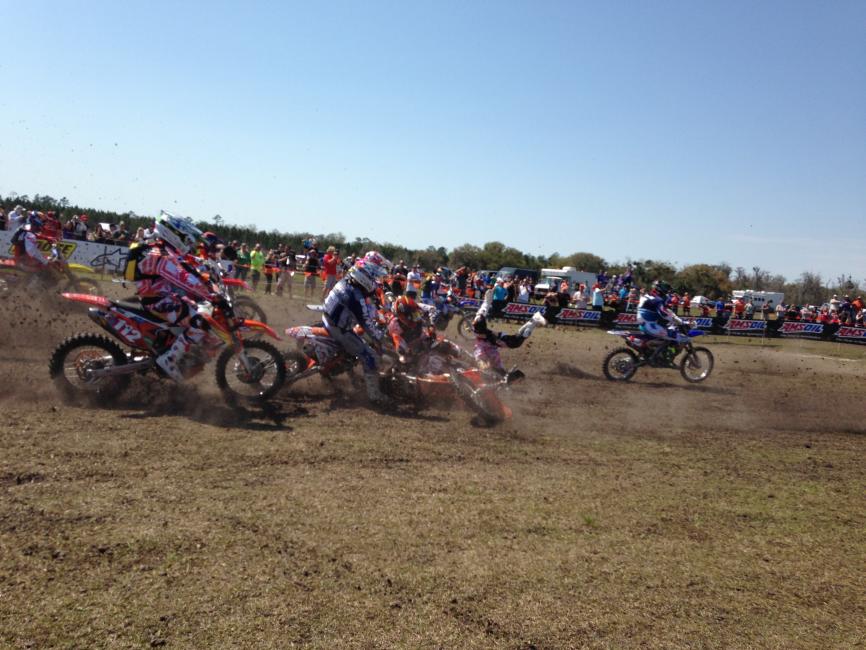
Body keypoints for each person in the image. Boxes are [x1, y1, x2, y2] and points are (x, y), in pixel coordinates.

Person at [127, 213, 222, 381]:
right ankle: (169, 360)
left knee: (198, 310)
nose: (188, 241)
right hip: (158, 301)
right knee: (199, 322)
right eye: (184, 236)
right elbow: (183, 279)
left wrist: (207, 281)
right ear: (173, 234)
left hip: (163, 297)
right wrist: (210, 294)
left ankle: (181, 354)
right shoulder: (160, 255)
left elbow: (186, 267)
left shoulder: (162, 249)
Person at [321, 253, 392, 404]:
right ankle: (375, 396)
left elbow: (368, 306)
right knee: (370, 356)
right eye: (373, 276)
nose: (375, 280)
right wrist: (381, 338)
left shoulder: (347, 282)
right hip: (340, 329)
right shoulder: (355, 295)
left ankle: (353, 377)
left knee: (359, 344)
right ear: (366, 275)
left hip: (329, 319)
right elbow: (366, 322)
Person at [471, 290, 546, 382]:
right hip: (493, 345)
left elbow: (479, 357)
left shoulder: (483, 340)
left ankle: (534, 321)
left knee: (516, 342)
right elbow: (483, 309)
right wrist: (487, 300)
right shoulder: (478, 321)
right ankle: (533, 321)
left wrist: (487, 300)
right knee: (515, 340)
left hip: (495, 341)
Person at [636, 280, 688, 349]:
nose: (667, 292)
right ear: (660, 289)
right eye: (666, 289)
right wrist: (678, 321)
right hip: (650, 325)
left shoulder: (648, 295)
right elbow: (663, 313)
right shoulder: (658, 299)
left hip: (644, 323)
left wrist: (674, 317)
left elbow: (665, 310)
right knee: (671, 337)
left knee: (665, 332)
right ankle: (651, 347)